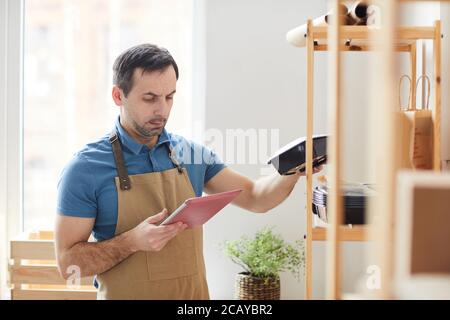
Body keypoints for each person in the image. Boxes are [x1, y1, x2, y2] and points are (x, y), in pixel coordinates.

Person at [55, 43, 321, 300]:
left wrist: (292, 169)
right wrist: (132, 241)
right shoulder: (85, 169)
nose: (162, 109)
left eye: (169, 97)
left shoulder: (191, 155)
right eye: (150, 98)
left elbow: (256, 198)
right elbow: (68, 265)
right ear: (118, 96)